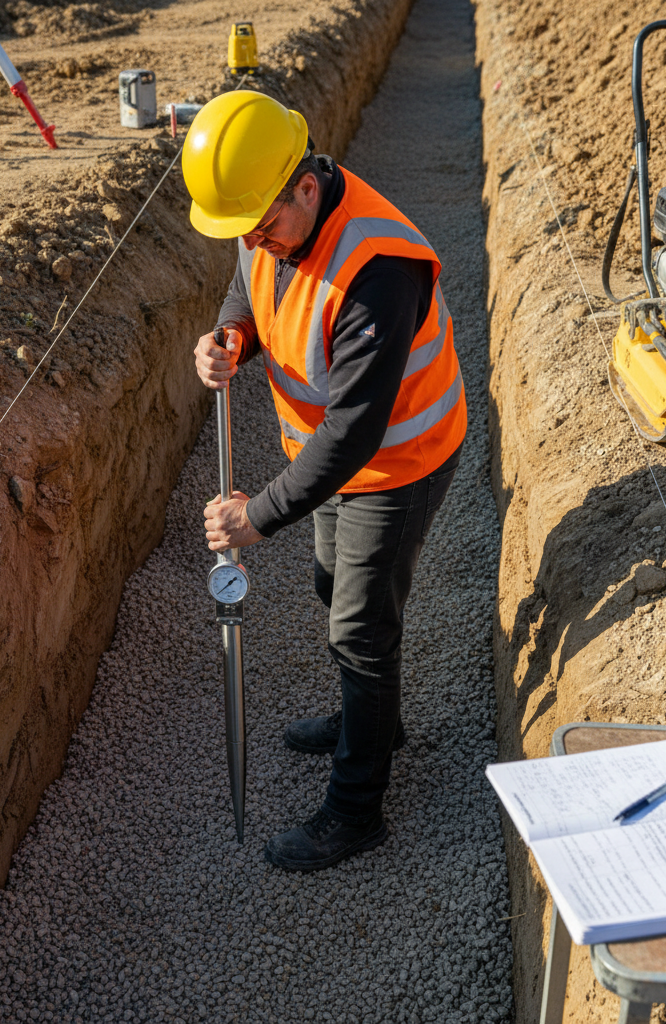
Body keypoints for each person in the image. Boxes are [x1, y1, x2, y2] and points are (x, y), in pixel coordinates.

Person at [182, 91, 466, 871]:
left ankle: (356, 810)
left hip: (398, 461)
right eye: (243, 231)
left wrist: (258, 515)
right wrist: (229, 338)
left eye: (266, 226)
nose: (255, 242)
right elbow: (249, 281)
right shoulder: (266, 215)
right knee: (332, 581)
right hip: (337, 458)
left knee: (359, 629)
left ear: (307, 186)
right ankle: (374, 721)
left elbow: (354, 432)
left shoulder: (379, 269)